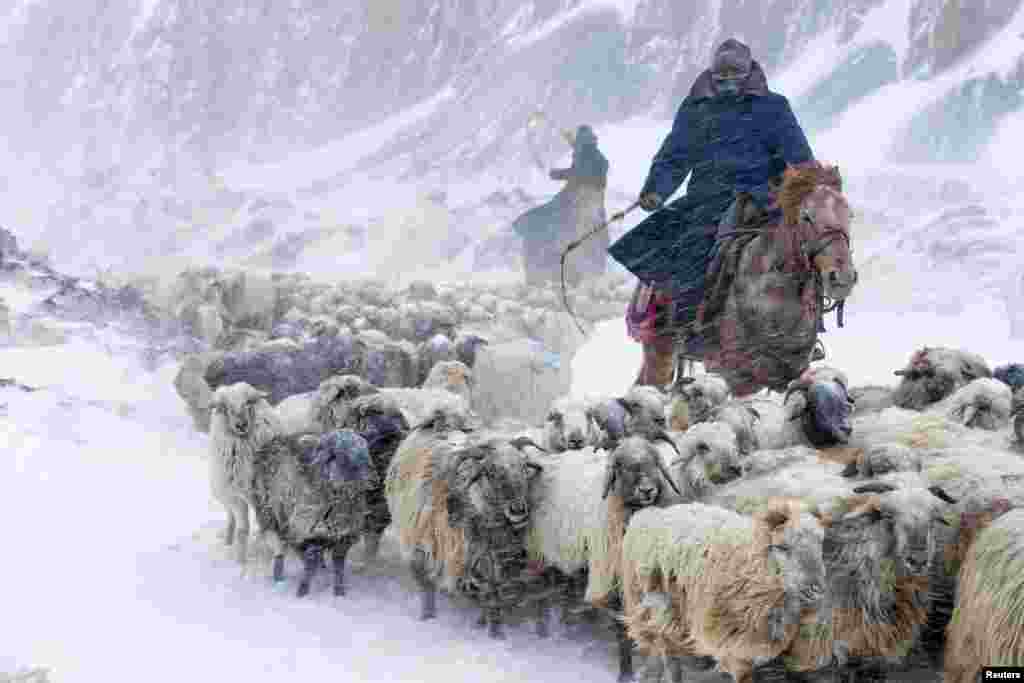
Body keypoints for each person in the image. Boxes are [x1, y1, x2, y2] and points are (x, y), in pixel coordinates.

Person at [609, 38, 815, 388]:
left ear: (750, 74)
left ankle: (804, 330)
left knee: (806, 253)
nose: (729, 83)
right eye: (723, 77)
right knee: (684, 253)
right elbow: (675, 155)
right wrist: (656, 190)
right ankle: (688, 327)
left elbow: (798, 156)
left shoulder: (774, 108)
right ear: (712, 76)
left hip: (764, 203)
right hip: (707, 201)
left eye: (736, 75)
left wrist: (806, 183)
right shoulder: (696, 108)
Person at [512, 125, 610, 287]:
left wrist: (558, 174)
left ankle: (543, 274)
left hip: (574, 208)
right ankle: (556, 274)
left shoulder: (588, 159)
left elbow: (580, 171)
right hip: (577, 208)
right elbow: (582, 166)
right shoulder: (592, 156)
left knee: (540, 228)